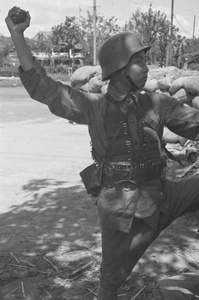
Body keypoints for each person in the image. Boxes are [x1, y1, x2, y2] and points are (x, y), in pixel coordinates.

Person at [5, 7, 199, 300]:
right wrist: (18, 36)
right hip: (123, 211)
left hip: (163, 195)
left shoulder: (158, 102)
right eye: (140, 62)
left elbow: (194, 124)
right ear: (120, 70)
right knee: (110, 282)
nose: (147, 67)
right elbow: (44, 88)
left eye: (145, 61)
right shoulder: (94, 106)